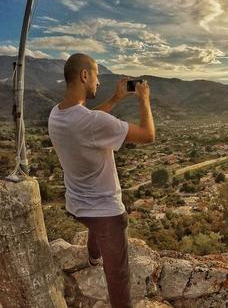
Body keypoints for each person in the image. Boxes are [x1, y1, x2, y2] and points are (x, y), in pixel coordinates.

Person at [48, 53, 155, 308]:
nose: (99, 82)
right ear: (85, 75)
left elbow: (87, 119)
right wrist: (144, 100)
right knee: (119, 277)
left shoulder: (57, 115)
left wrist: (116, 98)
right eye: (96, 75)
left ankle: (94, 258)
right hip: (106, 213)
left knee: (94, 226)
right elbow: (148, 135)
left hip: (76, 205)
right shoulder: (93, 122)